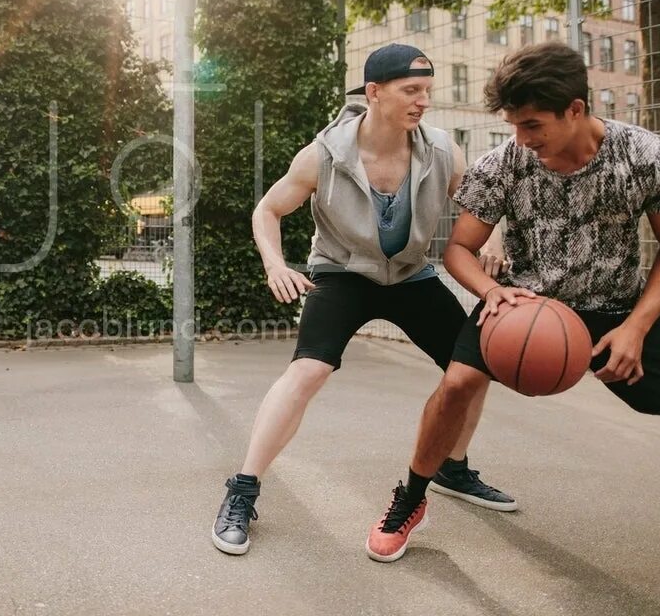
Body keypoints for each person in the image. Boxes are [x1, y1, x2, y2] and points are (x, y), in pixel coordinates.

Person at [365, 42, 660, 568]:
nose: (521, 140)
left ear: (575, 109)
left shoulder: (644, 155)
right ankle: (410, 501)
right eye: (514, 126)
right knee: (456, 384)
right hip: (525, 302)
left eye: (532, 126)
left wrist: (639, 327)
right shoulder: (505, 163)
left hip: (618, 307)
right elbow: (458, 249)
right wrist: (489, 291)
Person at [212, 43, 515, 556]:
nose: (423, 101)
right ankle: (242, 489)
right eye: (411, 91)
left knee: (474, 364)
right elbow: (268, 211)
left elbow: (480, 209)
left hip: (411, 276)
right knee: (308, 371)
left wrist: (492, 240)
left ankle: (452, 468)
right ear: (374, 93)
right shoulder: (323, 155)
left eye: (427, 91)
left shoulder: (443, 149)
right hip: (342, 273)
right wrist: (275, 265)